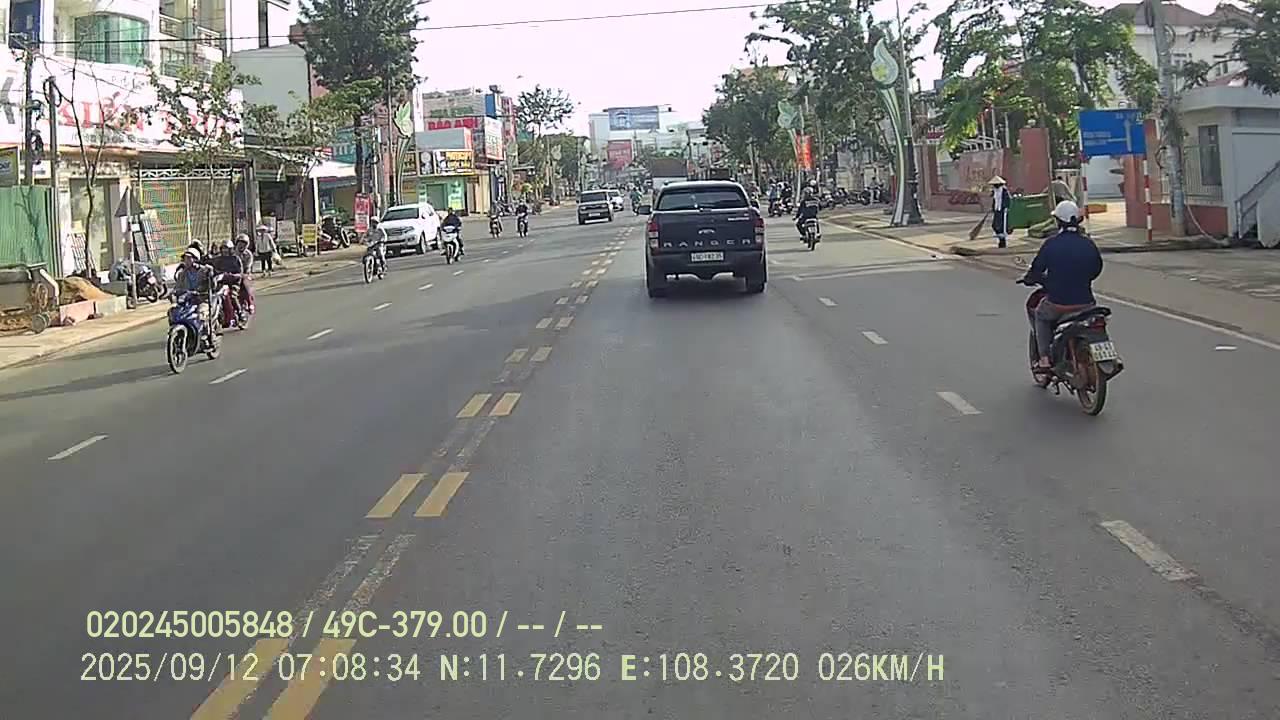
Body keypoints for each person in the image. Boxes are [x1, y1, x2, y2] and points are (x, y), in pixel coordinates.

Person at [1024, 201, 1104, 374]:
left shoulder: (1051, 244)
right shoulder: (1088, 244)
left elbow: (1036, 270)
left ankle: (1044, 359)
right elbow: (1097, 269)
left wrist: (1031, 279)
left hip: (1058, 304)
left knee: (1040, 316)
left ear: (1058, 221)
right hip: (1087, 303)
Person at [234, 234, 256, 311]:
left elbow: (248, 266)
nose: (241, 245)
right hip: (232, 274)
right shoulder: (232, 253)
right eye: (240, 243)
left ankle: (250, 303)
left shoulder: (248, 254)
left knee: (245, 283)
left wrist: (244, 273)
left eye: (244, 243)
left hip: (244, 274)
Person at [990, 175, 1012, 248]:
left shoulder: (1004, 191)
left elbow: (1008, 200)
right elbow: (994, 200)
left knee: (1002, 227)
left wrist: (1006, 207)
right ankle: (1000, 240)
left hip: (1003, 211)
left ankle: (1002, 242)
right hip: (997, 211)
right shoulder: (995, 192)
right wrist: (993, 208)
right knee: (995, 226)